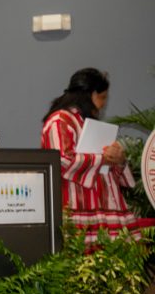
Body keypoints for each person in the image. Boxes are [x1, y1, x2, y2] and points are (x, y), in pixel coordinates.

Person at [41, 68, 138, 243]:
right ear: (91, 95)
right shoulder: (59, 121)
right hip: (76, 208)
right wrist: (102, 158)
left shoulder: (89, 124)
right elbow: (62, 159)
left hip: (105, 207)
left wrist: (119, 159)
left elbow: (107, 170)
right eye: (102, 98)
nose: (102, 105)